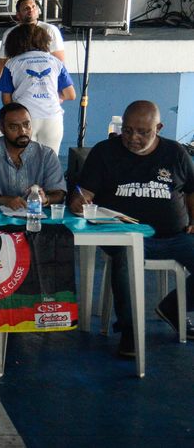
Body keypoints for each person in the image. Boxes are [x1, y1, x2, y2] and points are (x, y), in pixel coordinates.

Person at [71, 100, 194, 358]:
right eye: (127, 131)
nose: (133, 138)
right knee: (127, 258)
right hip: (124, 236)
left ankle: (173, 307)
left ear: (159, 128)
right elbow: (83, 193)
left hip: (175, 236)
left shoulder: (176, 154)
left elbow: (191, 191)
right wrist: (80, 201)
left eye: (143, 132)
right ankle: (130, 332)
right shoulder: (105, 152)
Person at [0, 102, 66, 209]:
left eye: (26, 124)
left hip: (35, 219)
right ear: (2, 129)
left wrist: (45, 199)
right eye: (14, 127)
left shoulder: (46, 155)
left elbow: (59, 194)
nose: (23, 131)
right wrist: (4, 200)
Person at [0, 23, 76, 154]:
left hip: (24, 118)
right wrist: (54, 97)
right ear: (44, 40)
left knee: (24, 162)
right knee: (50, 163)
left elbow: (6, 99)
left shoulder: (12, 63)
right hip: (52, 117)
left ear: (15, 42)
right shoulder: (55, 62)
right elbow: (70, 95)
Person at [0, 0, 66, 107]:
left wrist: (61, 91)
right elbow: (1, 62)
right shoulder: (10, 33)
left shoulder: (50, 30)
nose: (31, 9)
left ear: (38, 11)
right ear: (18, 15)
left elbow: (59, 62)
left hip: (45, 89)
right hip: (20, 87)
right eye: (26, 8)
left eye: (33, 7)